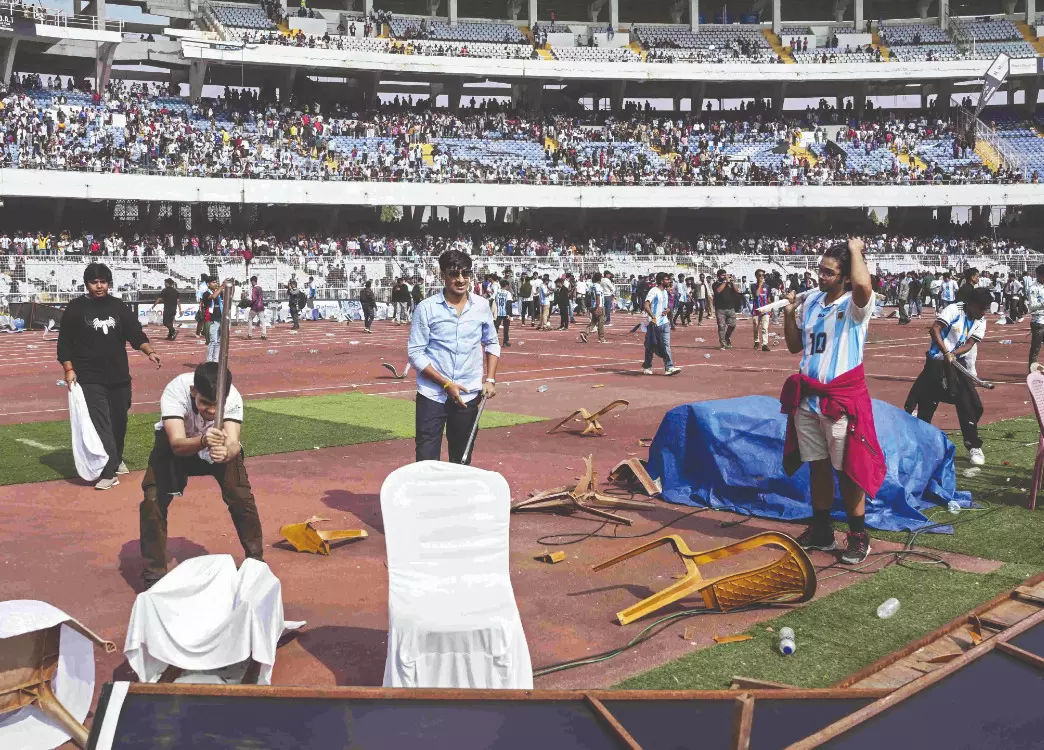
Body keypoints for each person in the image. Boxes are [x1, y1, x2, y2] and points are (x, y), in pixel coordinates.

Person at [782, 238, 882, 566]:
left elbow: (865, 284)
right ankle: (822, 530)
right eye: (820, 270)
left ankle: (857, 535)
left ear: (844, 277)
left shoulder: (855, 304)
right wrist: (788, 313)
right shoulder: (812, 302)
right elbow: (795, 347)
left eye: (829, 272)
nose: (821, 276)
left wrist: (855, 249)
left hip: (840, 399)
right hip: (809, 400)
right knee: (818, 466)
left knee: (849, 470)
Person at [139, 362, 263, 589]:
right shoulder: (176, 391)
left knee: (241, 495)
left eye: (218, 406)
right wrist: (204, 440)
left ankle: (256, 561)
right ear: (193, 392)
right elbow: (176, 444)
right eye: (205, 403)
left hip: (216, 447)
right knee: (153, 499)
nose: (213, 411)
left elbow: (234, 443)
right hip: (179, 446)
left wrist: (227, 452)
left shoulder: (232, 396)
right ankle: (154, 576)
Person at [58, 263, 162, 490]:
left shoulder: (118, 306)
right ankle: (107, 472)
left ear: (108, 283)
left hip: (119, 375)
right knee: (101, 423)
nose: (99, 286)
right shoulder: (76, 308)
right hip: (89, 376)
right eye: (94, 282)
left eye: (103, 282)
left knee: (119, 420)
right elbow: (64, 342)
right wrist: (68, 369)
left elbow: (135, 333)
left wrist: (150, 351)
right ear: (87, 284)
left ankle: (116, 457)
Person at [407, 250, 500, 465]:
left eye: (465, 274)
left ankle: (457, 499)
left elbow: (492, 342)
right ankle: (429, 499)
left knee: (461, 460)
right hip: (433, 396)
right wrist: (446, 383)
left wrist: (490, 379)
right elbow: (415, 353)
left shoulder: (481, 306)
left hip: (468, 395)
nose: (460, 279)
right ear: (443, 275)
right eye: (454, 274)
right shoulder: (426, 308)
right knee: (426, 460)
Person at [904, 288, 992, 467]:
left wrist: (953, 353)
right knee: (927, 402)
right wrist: (945, 351)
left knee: (970, 402)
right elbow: (934, 329)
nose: (984, 312)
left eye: (986, 309)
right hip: (935, 362)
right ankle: (920, 444)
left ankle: (973, 445)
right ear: (972, 304)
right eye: (982, 308)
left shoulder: (981, 320)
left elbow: (969, 344)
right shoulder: (954, 309)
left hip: (955, 364)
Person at [642, 272, 681, 376]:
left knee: (666, 345)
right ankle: (647, 366)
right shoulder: (653, 291)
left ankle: (669, 367)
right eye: (667, 279)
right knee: (651, 345)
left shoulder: (665, 292)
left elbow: (666, 305)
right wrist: (653, 317)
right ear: (661, 281)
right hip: (654, 323)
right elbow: (646, 305)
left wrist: (668, 309)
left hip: (664, 323)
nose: (669, 281)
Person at [713, 269, 740, 349]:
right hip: (720, 309)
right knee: (721, 327)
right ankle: (723, 344)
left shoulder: (729, 284)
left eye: (725, 275)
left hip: (730, 308)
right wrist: (725, 282)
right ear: (718, 276)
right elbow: (718, 291)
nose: (725, 276)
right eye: (723, 275)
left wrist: (732, 282)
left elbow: (737, 290)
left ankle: (726, 337)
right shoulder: (715, 284)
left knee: (733, 325)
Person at [580, 272, 608, 344]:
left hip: (592, 306)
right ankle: (601, 338)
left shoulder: (591, 286)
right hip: (599, 306)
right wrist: (598, 306)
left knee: (593, 322)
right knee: (601, 322)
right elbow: (598, 296)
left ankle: (585, 333)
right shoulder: (598, 286)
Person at [200, 277, 223, 363]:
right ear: (208, 284)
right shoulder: (206, 293)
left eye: (216, 282)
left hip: (219, 319)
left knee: (218, 342)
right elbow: (213, 296)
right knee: (213, 341)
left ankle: (215, 361)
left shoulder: (218, 293)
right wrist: (222, 286)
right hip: (211, 320)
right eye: (213, 282)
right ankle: (209, 361)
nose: (216, 284)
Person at [1028, 265, 1044, 372]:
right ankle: (1032, 373)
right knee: (1035, 349)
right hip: (1039, 322)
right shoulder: (1033, 288)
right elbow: (1032, 306)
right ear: (1038, 275)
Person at [752, 269, 771, 352]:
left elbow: (768, 298)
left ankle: (765, 344)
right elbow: (756, 295)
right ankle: (756, 341)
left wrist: (770, 308)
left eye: (763, 275)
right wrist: (760, 285)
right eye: (759, 275)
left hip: (765, 309)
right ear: (756, 276)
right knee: (756, 326)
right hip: (757, 309)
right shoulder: (753, 286)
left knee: (765, 328)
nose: (761, 277)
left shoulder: (767, 286)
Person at [246, 275, 267, 340]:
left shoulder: (254, 289)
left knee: (250, 319)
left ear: (252, 281)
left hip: (254, 307)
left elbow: (254, 299)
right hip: (261, 306)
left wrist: (249, 302)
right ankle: (264, 334)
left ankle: (250, 334)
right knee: (262, 321)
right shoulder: (260, 288)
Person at [493, 278, 513, 347]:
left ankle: (494, 341)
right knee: (506, 328)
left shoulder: (497, 292)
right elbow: (509, 304)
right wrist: (509, 314)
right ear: (506, 286)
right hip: (505, 312)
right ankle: (505, 342)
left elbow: (493, 300)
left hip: (497, 312)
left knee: (496, 327)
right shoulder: (508, 293)